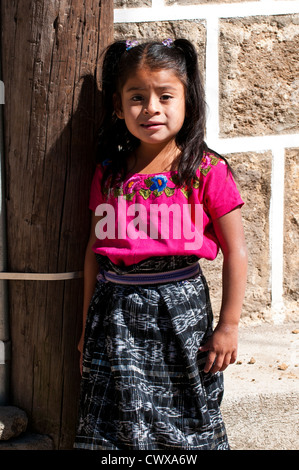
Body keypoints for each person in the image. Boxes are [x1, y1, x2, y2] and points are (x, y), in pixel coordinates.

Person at [74, 38, 247, 451]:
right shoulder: (109, 173)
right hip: (114, 312)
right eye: (137, 97)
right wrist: (85, 329)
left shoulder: (207, 169)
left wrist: (229, 326)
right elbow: (93, 253)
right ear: (118, 107)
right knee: (117, 415)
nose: (151, 107)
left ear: (187, 102)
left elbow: (236, 251)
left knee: (186, 411)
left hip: (180, 312)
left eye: (165, 96)